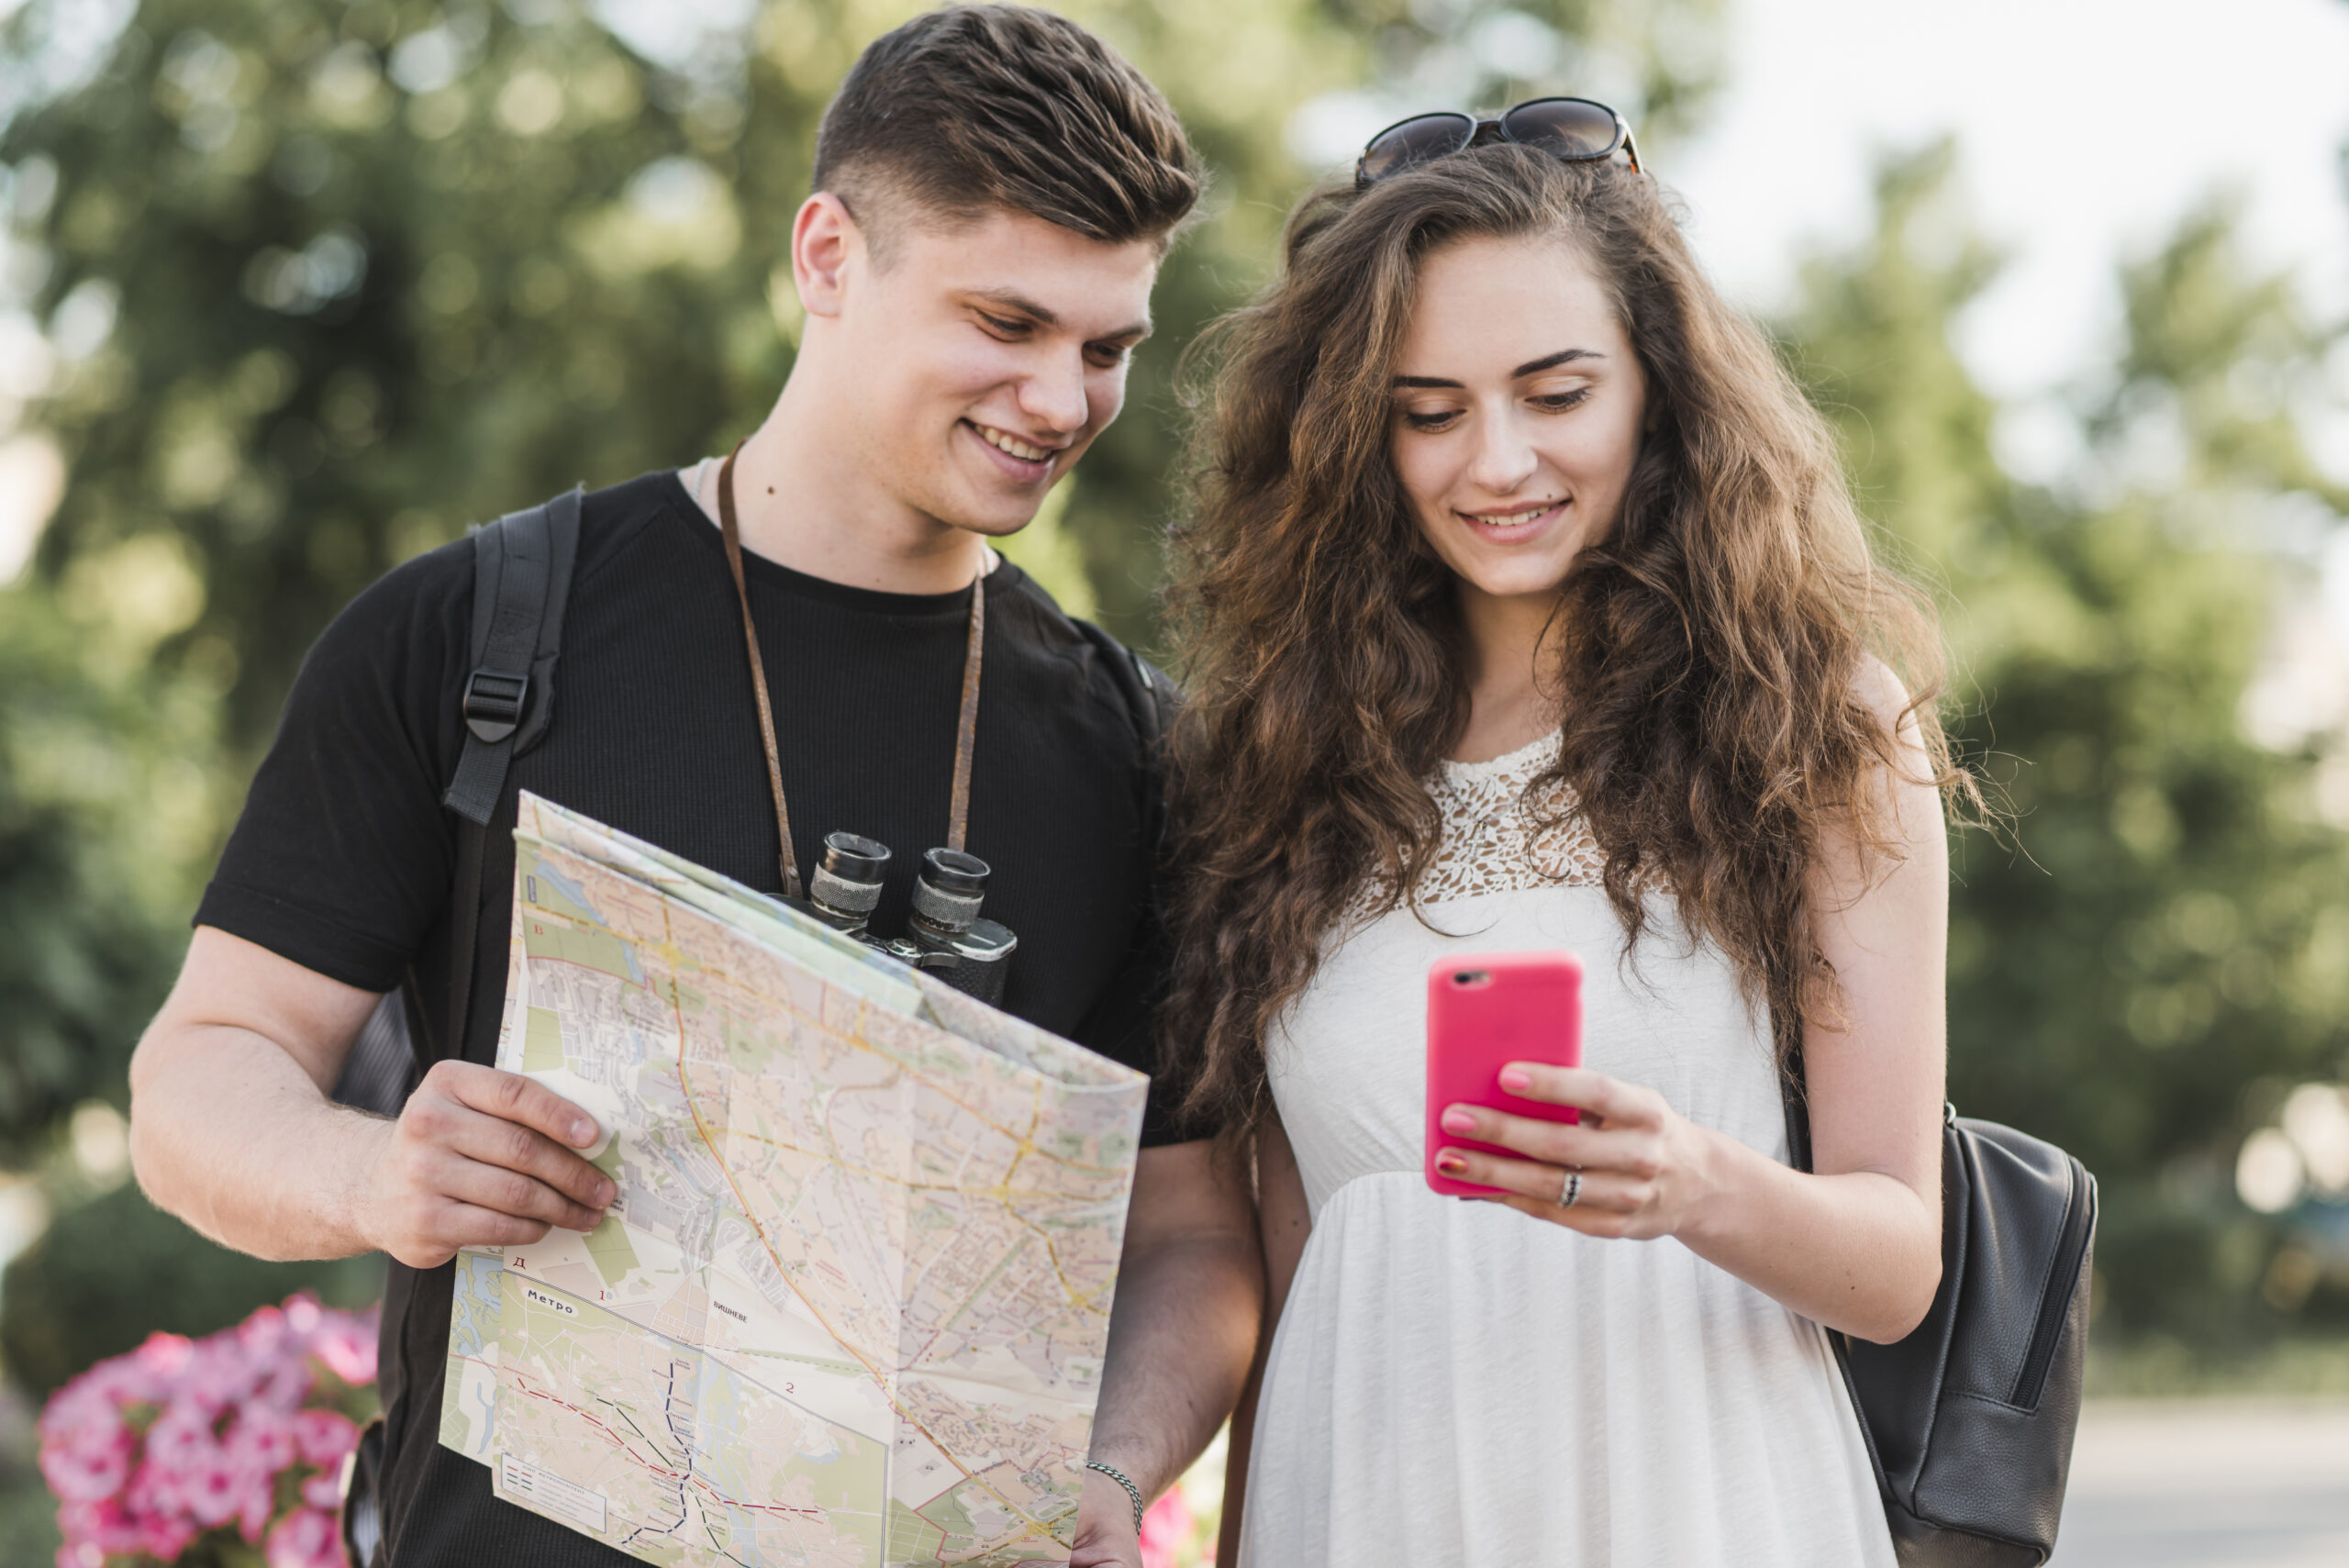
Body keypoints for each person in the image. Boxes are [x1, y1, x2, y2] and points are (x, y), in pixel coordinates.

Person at [125, 9, 1260, 1566]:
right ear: (827, 256)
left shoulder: (1147, 754)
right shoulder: (469, 634)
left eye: (1107, 347)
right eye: (1005, 321)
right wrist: (375, 1171)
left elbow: (1195, 1235)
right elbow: (196, 1085)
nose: (1060, 399)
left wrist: (1116, 1470)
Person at [1162, 107, 1967, 1566]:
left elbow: (1897, 1264)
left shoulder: (1809, 726)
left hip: (1701, 1502)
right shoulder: (1284, 767)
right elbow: (1292, 1276)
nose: (1498, 460)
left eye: (1556, 391)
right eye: (1430, 409)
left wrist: (1696, 1180)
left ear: (1657, 387)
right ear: (1358, 431)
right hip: (1362, 1510)